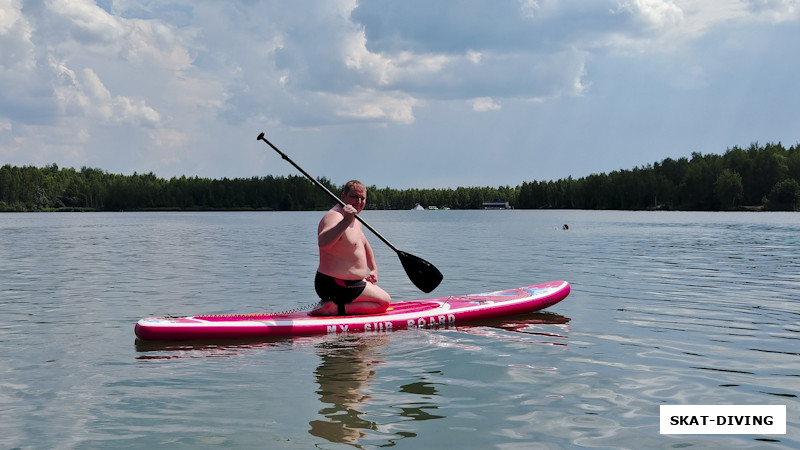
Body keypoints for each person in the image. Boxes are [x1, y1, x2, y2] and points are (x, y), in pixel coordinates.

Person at [311, 180, 391, 316]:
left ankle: (334, 305)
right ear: (343, 197)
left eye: (362, 198)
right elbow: (323, 242)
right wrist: (346, 221)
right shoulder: (335, 216)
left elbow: (364, 244)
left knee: (381, 300)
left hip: (348, 284)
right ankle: (334, 309)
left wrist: (374, 269)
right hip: (334, 284)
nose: (359, 202)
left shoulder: (355, 219)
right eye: (354, 197)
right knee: (384, 302)